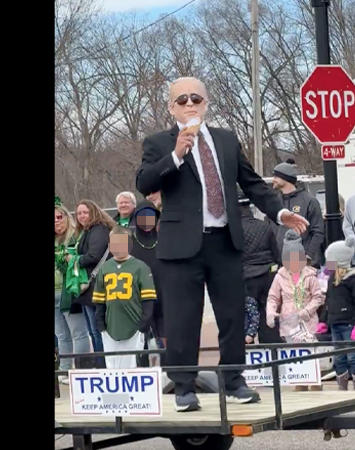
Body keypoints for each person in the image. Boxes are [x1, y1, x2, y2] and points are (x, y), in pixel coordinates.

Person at [136, 76, 309, 412]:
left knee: (232, 314)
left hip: (224, 241)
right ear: (172, 107)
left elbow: (253, 183)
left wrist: (279, 213)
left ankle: (233, 379)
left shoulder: (226, 141)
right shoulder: (159, 143)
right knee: (182, 318)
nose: (190, 105)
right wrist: (175, 155)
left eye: (196, 99)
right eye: (182, 100)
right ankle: (184, 386)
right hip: (181, 245)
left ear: (206, 103)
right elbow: (144, 181)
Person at [265, 230, 324, 391]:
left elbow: (318, 297)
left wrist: (306, 311)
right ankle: (300, 387)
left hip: (307, 322)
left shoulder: (310, 275)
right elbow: (273, 298)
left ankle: (316, 386)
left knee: (311, 356)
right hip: (289, 324)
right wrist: (270, 313)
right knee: (296, 358)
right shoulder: (280, 276)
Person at [92, 226, 157, 369]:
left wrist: (143, 323)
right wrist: (100, 322)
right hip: (111, 326)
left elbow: (148, 299)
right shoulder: (104, 268)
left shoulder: (141, 267)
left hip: (133, 325)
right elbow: (100, 301)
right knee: (113, 365)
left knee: (133, 365)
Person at [317, 237, 355, 390]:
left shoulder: (354, 280)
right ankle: (343, 388)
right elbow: (329, 301)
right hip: (335, 323)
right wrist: (324, 321)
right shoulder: (332, 279)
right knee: (339, 358)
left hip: (349, 324)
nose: (327, 264)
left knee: (352, 356)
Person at [74, 199, 115, 365]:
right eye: (78, 213)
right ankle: (100, 363)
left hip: (98, 286)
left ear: (94, 212)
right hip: (88, 287)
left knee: (98, 331)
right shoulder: (87, 231)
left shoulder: (99, 229)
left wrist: (74, 260)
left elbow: (94, 255)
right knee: (93, 331)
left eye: (85, 212)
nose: (82, 216)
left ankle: (103, 365)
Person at [238, 191, 282, 344]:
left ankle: (248, 358)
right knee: (268, 316)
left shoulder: (233, 230)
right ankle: (272, 356)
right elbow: (276, 254)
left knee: (246, 319)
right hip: (268, 276)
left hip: (246, 278)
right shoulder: (264, 226)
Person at [54, 199, 90, 384]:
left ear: (66, 217)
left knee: (78, 332)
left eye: (59, 217)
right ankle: (65, 369)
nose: (56, 221)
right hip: (54, 294)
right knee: (61, 335)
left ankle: (82, 368)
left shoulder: (75, 237)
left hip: (70, 291)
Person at [129, 200, 166, 353]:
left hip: (164, 295)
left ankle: (169, 368)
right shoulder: (130, 242)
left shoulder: (165, 239)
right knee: (142, 338)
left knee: (165, 334)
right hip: (139, 297)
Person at [271, 162, 325, 268]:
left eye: (276, 176)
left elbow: (318, 232)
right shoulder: (274, 203)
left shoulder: (309, 201)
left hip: (305, 265)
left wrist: (309, 256)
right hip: (281, 265)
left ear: (286, 178)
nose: (273, 179)